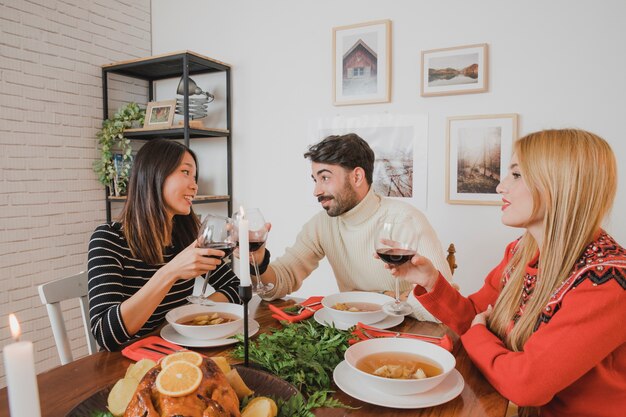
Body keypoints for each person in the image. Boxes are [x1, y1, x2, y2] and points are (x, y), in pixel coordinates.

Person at [388, 129, 626, 417]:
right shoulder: (521, 251)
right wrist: (429, 280)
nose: (500, 187)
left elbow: (526, 384)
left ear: (560, 184)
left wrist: (477, 333)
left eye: (516, 175)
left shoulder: (608, 281)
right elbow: (473, 313)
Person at [253, 133, 452, 320]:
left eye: (325, 178)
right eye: (315, 180)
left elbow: (446, 304)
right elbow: (276, 286)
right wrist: (259, 261)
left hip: (406, 335)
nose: (316, 190)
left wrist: (380, 299)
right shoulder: (321, 224)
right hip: (353, 330)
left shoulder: (406, 220)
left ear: (357, 177)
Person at [88, 139, 241, 351]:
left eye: (194, 177)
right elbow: (106, 335)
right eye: (185, 172)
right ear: (154, 175)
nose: (194, 185)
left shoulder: (185, 236)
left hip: (175, 350)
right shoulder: (109, 239)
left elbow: (235, 288)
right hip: (131, 359)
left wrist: (186, 316)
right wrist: (171, 272)